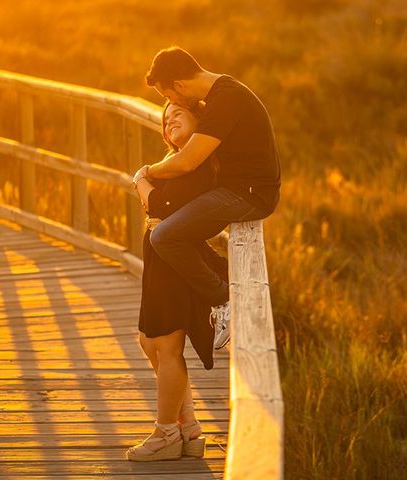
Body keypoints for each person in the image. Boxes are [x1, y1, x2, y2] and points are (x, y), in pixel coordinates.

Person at [139, 46, 281, 350]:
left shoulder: (228, 99)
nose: (171, 103)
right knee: (172, 227)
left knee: (164, 236)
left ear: (178, 85)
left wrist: (147, 173)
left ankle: (224, 300)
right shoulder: (222, 95)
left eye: (168, 97)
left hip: (250, 195)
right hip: (233, 190)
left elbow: (188, 161)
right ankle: (225, 282)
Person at [125, 102, 228, 462]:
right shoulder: (174, 162)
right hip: (158, 263)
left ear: (199, 121)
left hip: (175, 266)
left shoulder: (196, 164)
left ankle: (166, 432)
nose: (169, 123)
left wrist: (140, 181)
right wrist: (151, 186)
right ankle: (190, 426)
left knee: (167, 347)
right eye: (165, 121)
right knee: (148, 341)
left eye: (177, 115)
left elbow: (162, 207)